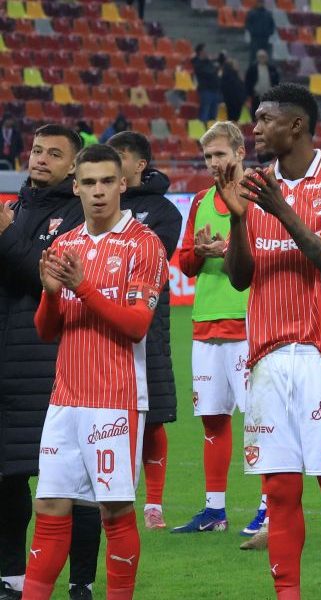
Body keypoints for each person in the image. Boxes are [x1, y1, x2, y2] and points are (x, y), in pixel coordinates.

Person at [220, 83, 321, 600]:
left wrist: (283, 210)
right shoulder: (254, 186)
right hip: (266, 356)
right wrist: (242, 221)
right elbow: (240, 278)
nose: (256, 128)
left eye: (264, 119)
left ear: (295, 126)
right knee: (280, 490)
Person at [23, 143, 168, 600]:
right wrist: (50, 293)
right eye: (89, 183)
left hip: (116, 400)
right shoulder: (65, 245)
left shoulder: (144, 245)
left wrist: (82, 286)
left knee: (114, 510)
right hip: (65, 398)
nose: (99, 192)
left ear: (123, 184)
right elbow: (47, 331)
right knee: (48, 504)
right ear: (76, 187)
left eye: (108, 181)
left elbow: (136, 326)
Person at [0, 125, 102, 600]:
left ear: (73, 168)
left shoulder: (74, 215)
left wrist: (4, 237)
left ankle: (80, 581)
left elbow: (46, 276)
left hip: (57, 362)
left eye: (54, 154)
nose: (41, 159)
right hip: (11, 364)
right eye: (38, 150)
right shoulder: (18, 208)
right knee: (8, 476)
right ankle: (12, 577)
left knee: (73, 483)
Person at [170, 122, 267, 541]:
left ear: (241, 153)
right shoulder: (200, 201)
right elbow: (185, 264)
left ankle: (268, 507)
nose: (214, 164)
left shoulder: (260, 198)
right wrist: (200, 251)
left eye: (221, 155)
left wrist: (230, 249)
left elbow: (269, 255)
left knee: (261, 422)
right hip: (205, 324)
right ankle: (214, 510)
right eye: (208, 157)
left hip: (249, 324)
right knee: (213, 420)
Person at [106, 132, 182, 531]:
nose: (112, 164)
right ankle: (112, 495)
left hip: (148, 323)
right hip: (98, 320)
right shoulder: (98, 203)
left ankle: (153, 504)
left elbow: (155, 256)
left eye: (120, 157)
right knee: (106, 415)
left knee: (152, 416)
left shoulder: (164, 210)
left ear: (140, 166)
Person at [245, 50, 281, 118]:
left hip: (269, 95)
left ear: (267, 57)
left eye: (264, 57)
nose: (262, 58)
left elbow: (276, 81)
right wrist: (249, 93)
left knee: (268, 114)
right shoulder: (252, 68)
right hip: (256, 95)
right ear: (257, 58)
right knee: (256, 114)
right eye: (260, 57)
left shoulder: (272, 68)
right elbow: (248, 82)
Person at [193, 44, 222, 123]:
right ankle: (203, 131)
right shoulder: (198, 63)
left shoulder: (209, 62)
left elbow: (215, 71)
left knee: (213, 115)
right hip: (206, 91)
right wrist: (215, 69)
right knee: (204, 114)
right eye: (205, 50)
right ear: (201, 52)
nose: (207, 52)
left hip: (215, 90)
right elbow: (209, 72)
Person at [221, 57, 248, 122]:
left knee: (236, 119)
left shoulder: (236, 75)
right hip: (232, 102)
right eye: (235, 64)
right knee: (232, 119)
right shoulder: (228, 76)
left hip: (238, 102)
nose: (237, 66)